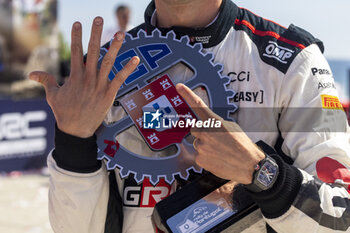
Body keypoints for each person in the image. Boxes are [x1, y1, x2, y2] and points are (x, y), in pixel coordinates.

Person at [29, 0, 350, 232]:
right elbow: (76, 227)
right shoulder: (97, 73)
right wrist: (73, 142)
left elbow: (343, 214)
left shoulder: (295, 59)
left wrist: (261, 172)